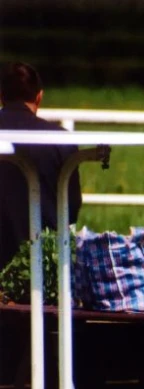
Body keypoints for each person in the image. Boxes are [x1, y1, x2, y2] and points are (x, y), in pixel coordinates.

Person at [0, 61, 82, 270]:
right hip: (42, 263)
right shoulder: (60, 141)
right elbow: (71, 207)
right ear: (39, 97)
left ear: (1, 97)